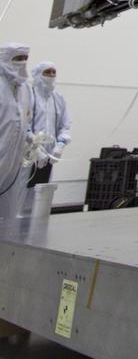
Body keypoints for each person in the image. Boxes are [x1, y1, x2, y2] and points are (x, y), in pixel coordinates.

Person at [0, 43, 33, 224]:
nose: (23, 63)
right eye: (17, 59)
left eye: (25, 59)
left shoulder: (24, 89)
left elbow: (23, 118)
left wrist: (30, 136)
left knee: (9, 210)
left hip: (14, 158)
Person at [26, 62, 71, 187]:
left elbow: (65, 124)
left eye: (53, 72)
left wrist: (60, 145)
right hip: (27, 154)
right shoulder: (29, 95)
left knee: (42, 191)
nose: (51, 75)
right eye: (47, 72)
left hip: (48, 155)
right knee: (22, 192)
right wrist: (35, 148)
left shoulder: (57, 98)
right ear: (38, 74)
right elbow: (23, 126)